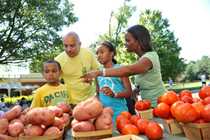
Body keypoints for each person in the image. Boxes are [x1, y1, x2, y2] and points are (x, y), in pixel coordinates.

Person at [82, 25, 166, 107]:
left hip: (160, 104)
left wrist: (99, 73)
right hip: (148, 105)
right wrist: (135, 91)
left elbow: (129, 70)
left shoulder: (150, 57)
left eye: (128, 40)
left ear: (138, 41)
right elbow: (148, 83)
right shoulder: (141, 59)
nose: (125, 44)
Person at [55, 32, 99, 106]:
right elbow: (55, 82)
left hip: (90, 99)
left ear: (79, 44)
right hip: (70, 102)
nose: (68, 49)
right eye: (65, 46)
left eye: (72, 46)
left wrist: (98, 92)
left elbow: (97, 72)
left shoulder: (88, 54)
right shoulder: (58, 60)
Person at [95, 41, 132, 122]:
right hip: (104, 116)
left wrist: (114, 94)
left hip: (120, 113)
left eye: (102, 52)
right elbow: (98, 94)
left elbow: (129, 92)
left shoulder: (120, 69)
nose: (98, 55)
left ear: (112, 53)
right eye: (97, 53)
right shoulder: (97, 72)